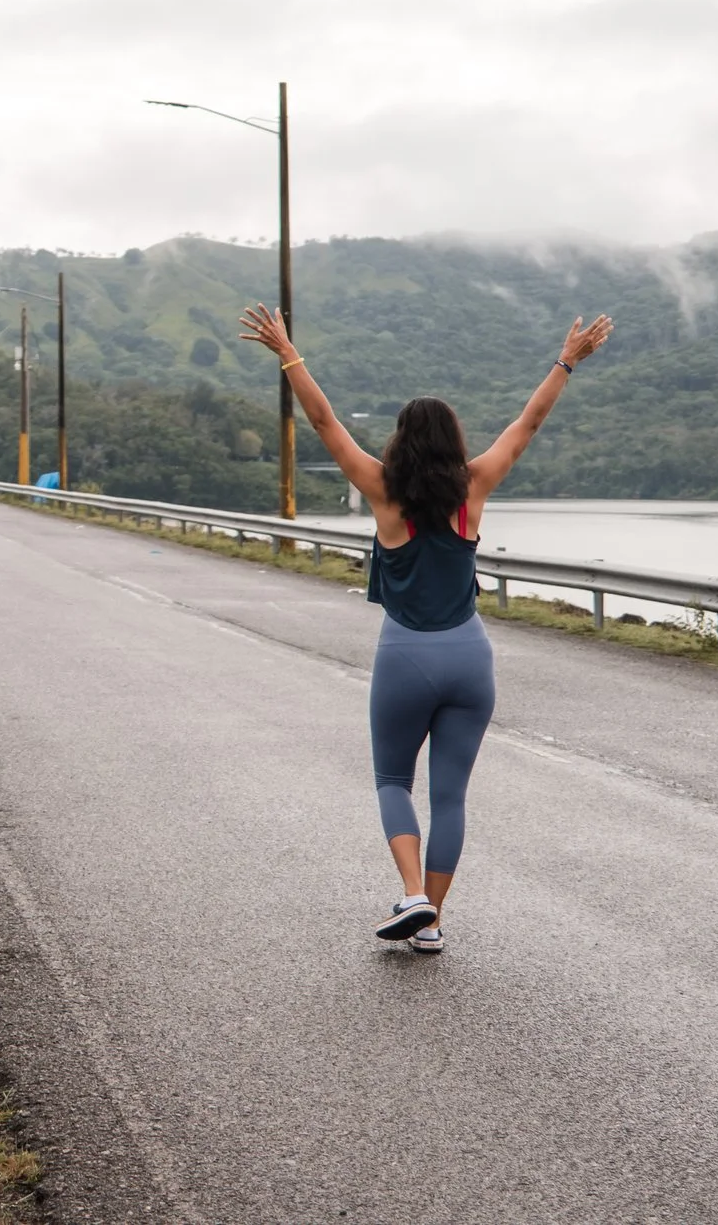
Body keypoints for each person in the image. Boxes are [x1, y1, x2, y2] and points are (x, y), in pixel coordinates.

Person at [240, 301, 613, 953]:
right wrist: (565, 362)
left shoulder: (382, 488)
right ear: (453, 439)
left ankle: (413, 893)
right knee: (451, 797)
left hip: (406, 656)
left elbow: (324, 421)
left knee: (392, 780)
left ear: (401, 440)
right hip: (471, 658)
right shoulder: (475, 485)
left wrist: (289, 355)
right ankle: (432, 919)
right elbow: (528, 424)